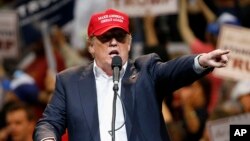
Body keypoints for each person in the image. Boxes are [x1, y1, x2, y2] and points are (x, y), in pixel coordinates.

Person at [33, 8, 230, 141]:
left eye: (119, 37)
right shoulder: (69, 81)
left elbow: (173, 69)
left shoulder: (147, 70)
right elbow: (49, 122)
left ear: (128, 42)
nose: (113, 42)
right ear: (91, 46)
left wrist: (200, 61)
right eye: (105, 37)